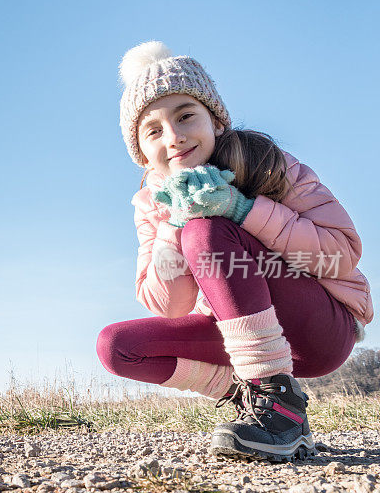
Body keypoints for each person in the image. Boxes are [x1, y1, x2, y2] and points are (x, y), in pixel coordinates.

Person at [96, 41, 373, 462]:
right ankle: (257, 400)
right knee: (116, 347)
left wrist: (241, 211)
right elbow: (169, 306)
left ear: (216, 121)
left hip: (318, 328)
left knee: (206, 232)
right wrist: (174, 224)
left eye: (186, 116)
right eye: (153, 130)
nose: (174, 137)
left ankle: (277, 402)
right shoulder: (151, 203)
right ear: (142, 154)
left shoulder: (270, 163)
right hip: (241, 336)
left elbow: (341, 253)